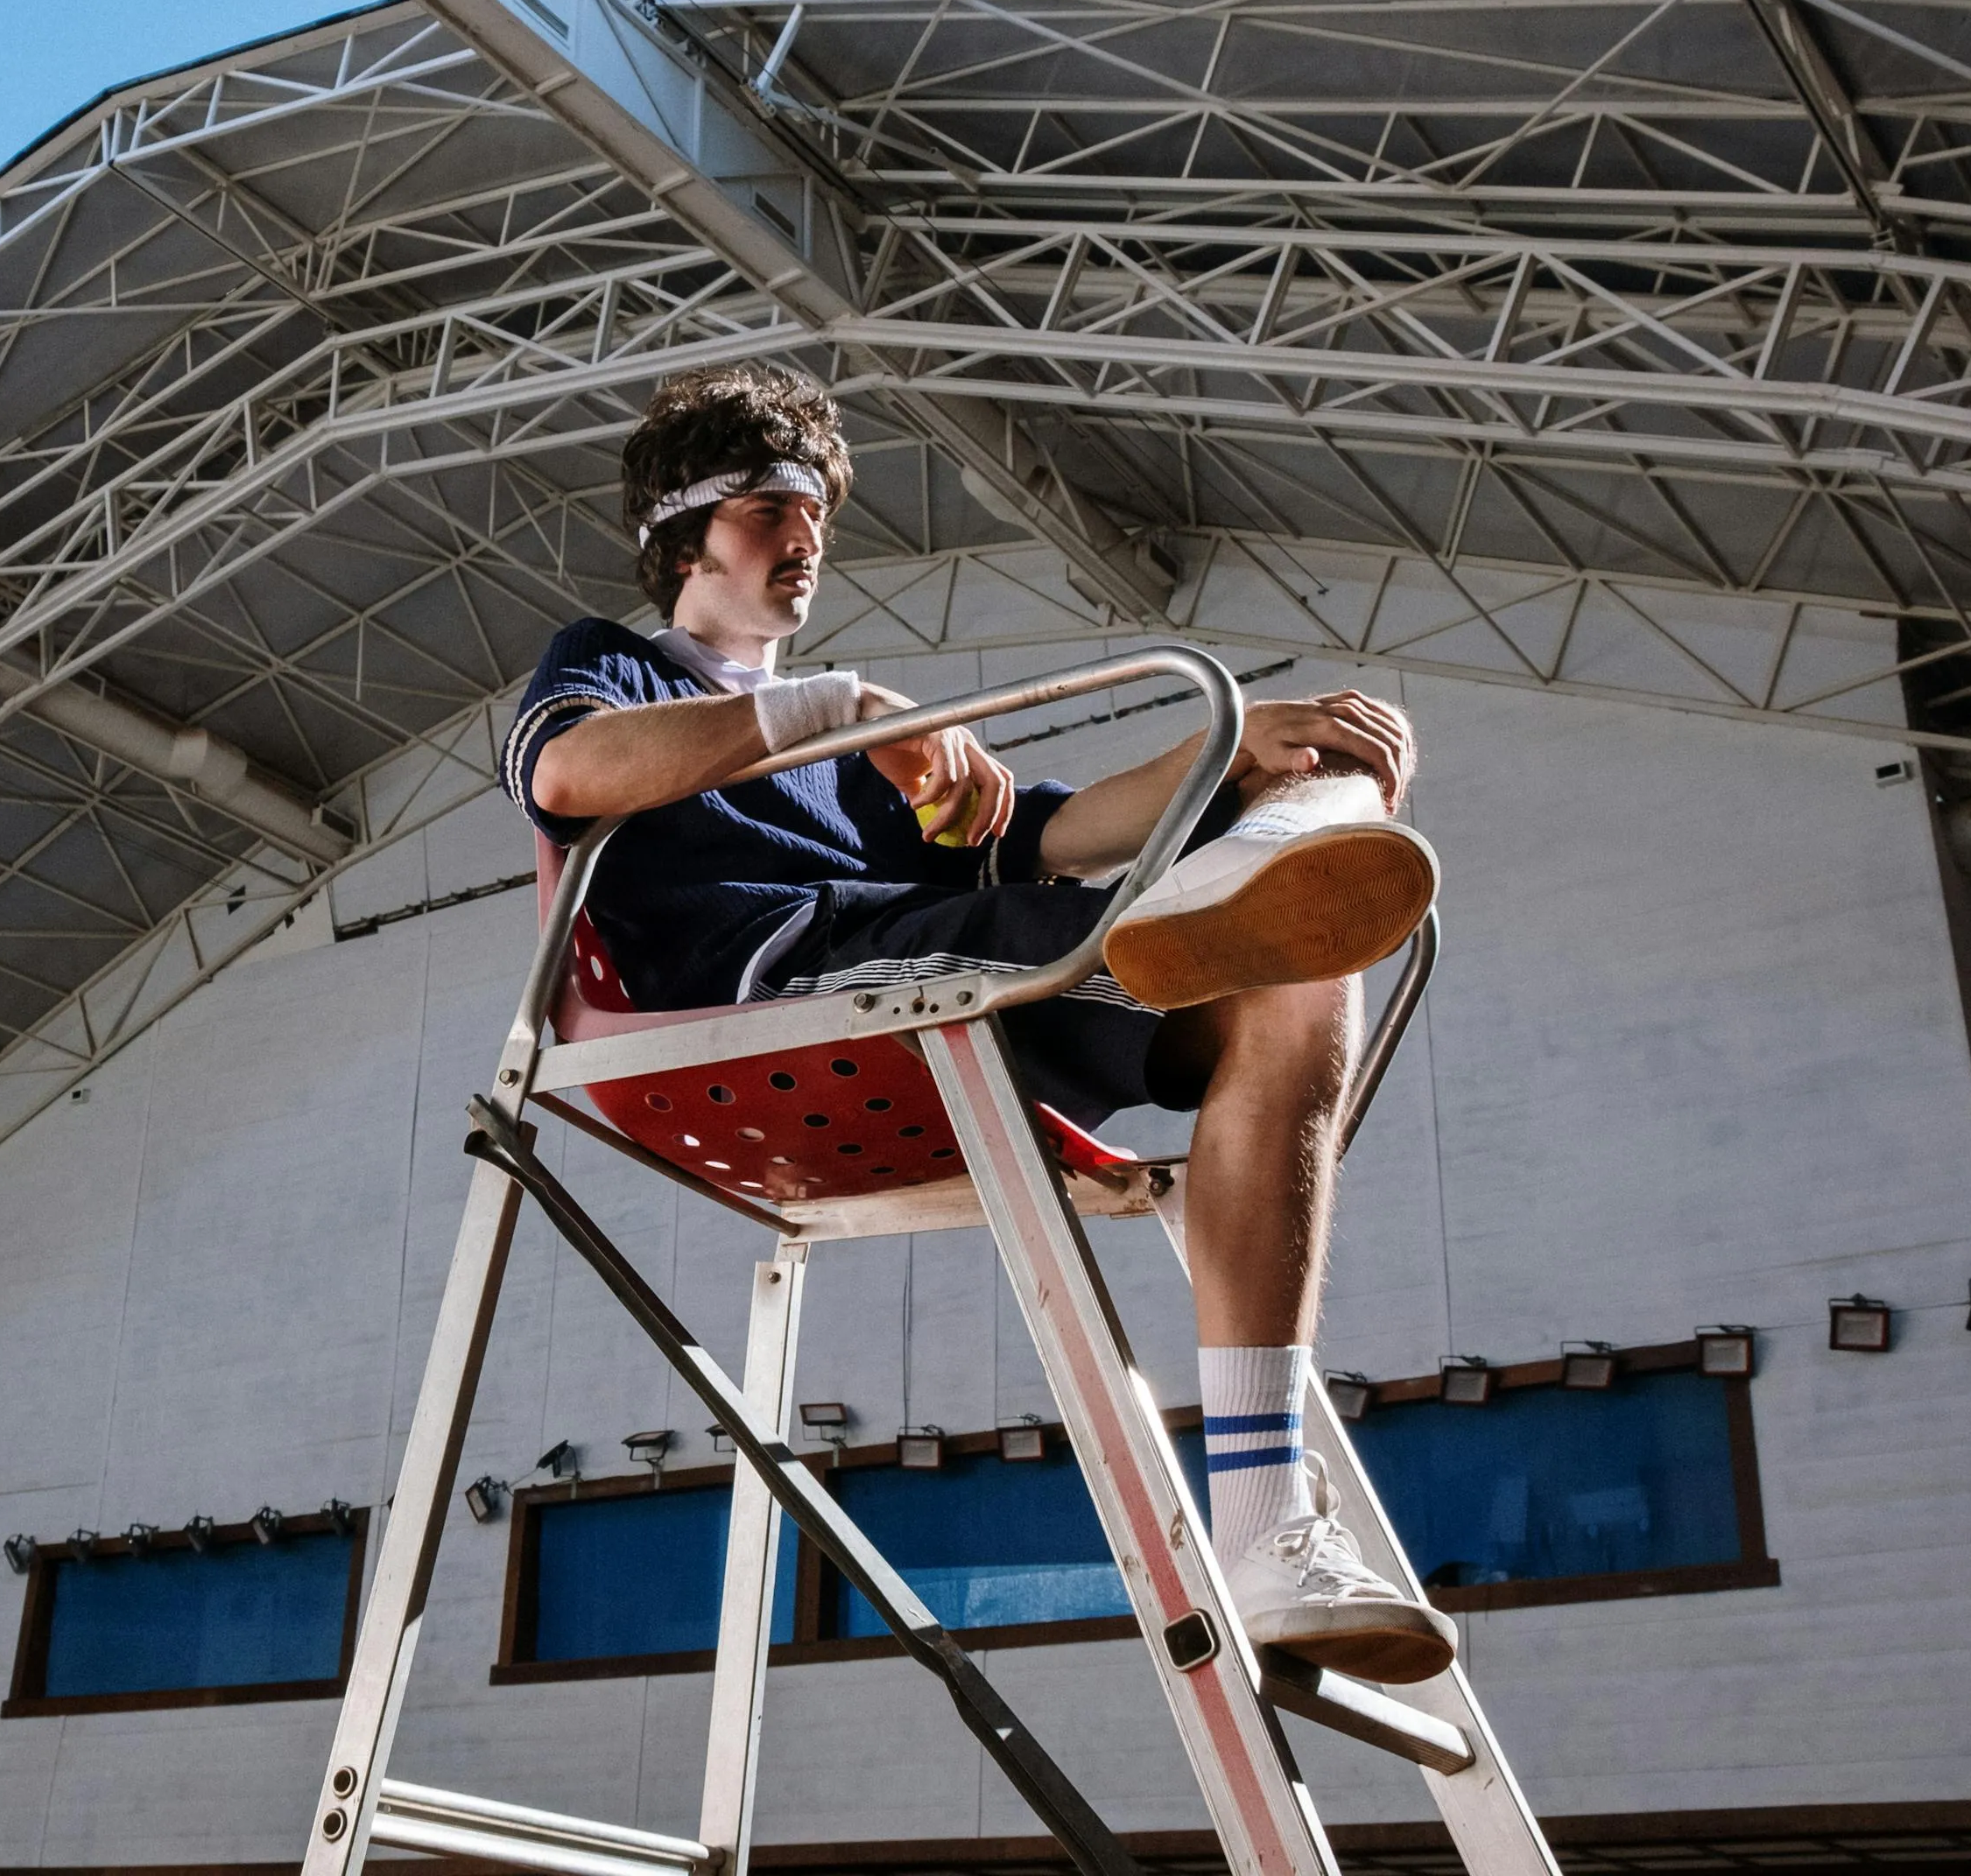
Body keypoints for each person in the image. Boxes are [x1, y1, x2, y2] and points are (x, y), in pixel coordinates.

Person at [505, 360, 1451, 1686]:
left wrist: (1232, 746)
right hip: (771, 998)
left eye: (817, 513)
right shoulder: (610, 667)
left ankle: (1265, 1526)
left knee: (1297, 989)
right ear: (688, 529)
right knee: (1201, 942)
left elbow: (1043, 830)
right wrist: (832, 706)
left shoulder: (894, 756)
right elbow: (566, 772)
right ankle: (1205, 897)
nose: (808, 535)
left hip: (934, 974)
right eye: (776, 508)